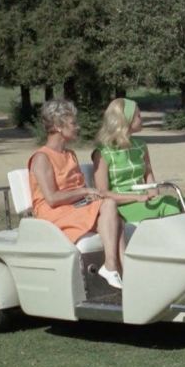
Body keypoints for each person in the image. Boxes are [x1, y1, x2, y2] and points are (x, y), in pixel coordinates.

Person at [28, 99, 126, 289]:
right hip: (53, 214)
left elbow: (76, 188)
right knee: (109, 205)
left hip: (74, 207)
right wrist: (86, 191)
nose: (78, 127)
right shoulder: (42, 158)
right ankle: (113, 266)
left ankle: (124, 273)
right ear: (58, 126)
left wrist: (88, 196)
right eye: (73, 123)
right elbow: (52, 199)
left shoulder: (70, 154)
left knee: (116, 219)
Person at [92, 98, 185, 223]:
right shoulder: (102, 153)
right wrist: (136, 197)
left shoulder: (140, 146)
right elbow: (102, 193)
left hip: (144, 200)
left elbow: (148, 175)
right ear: (126, 119)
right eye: (138, 116)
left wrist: (154, 195)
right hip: (123, 206)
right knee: (167, 205)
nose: (141, 119)